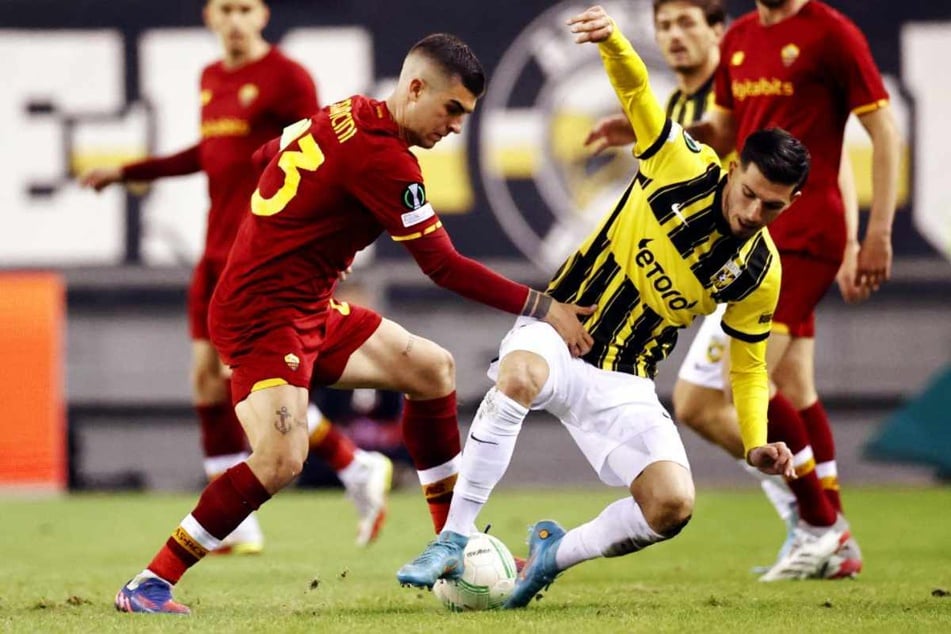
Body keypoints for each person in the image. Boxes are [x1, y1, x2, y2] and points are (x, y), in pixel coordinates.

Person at [112, 31, 595, 615]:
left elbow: (268, 154)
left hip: (308, 304)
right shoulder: (385, 161)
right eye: (452, 110)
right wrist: (544, 308)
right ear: (415, 88)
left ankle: (452, 542)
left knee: (432, 369)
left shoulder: (349, 112)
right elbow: (443, 266)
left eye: (465, 115)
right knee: (281, 459)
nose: (456, 126)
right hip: (261, 315)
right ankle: (149, 583)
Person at [397, 5, 807, 608]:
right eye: (748, 193)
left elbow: (747, 365)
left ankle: (552, 554)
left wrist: (754, 440)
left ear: (790, 203)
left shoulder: (760, 271)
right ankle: (454, 538)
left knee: (672, 506)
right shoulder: (681, 165)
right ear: (732, 167)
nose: (752, 213)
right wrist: (613, 41)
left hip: (627, 379)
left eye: (771, 206)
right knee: (518, 375)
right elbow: (638, 91)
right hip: (562, 329)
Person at [585, 0, 899, 581]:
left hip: (799, 242)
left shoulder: (832, 33)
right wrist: (633, 128)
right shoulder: (744, 38)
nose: (677, 35)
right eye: (667, 26)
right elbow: (727, 132)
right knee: (794, 387)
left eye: (686, 23)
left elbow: (876, 133)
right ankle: (828, 532)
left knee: (705, 396)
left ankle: (821, 526)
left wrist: (872, 234)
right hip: (750, 239)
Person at [80, 0, 391, 554]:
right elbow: (211, 152)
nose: (234, 20)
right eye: (224, 9)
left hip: (261, 257)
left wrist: (325, 247)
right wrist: (129, 172)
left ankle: (345, 465)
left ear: (263, 15)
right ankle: (273, 504)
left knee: (245, 384)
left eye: (244, 8)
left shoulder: (289, 78)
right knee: (206, 379)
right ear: (209, 17)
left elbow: (321, 153)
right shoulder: (210, 78)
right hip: (213, 250)